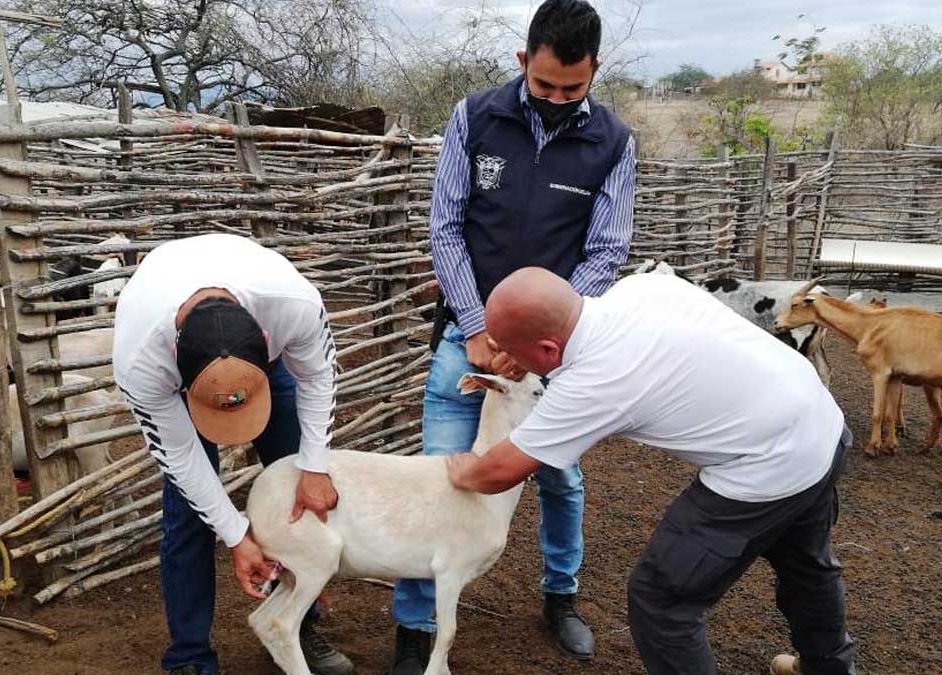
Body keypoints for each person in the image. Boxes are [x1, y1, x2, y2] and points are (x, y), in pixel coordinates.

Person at [446, 267, 858, 675]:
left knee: (661, 600)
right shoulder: (641, 287)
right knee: (806, 567)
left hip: (767, 463)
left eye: (512, 353)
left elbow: (499, 471)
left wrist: (462, 471)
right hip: (820, 421)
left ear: (549, 349)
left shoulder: (595, 379)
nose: (507, 363)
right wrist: (522, 351)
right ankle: (829, 668)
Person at [389, 0, 636, 672]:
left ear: (594, 70)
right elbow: (445, 228)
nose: (556, 99)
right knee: (441, 477)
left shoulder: (614, 142)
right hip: (465, 339)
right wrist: (478, 326)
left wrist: (538, 335)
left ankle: (560, 596)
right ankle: (414, 628)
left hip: (552, 351)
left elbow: (605, 251)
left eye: (572, 88)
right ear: (524, 60)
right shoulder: (475, 117)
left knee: (560, 476)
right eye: (544, 83)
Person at [112, 233, 353, 675]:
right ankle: (189, 657)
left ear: (266, 340)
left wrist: (315, 466)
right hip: (179, 371)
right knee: (188, 512)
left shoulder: (293, 305)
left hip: (264, 360)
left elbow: (318, 377)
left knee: (296, 496)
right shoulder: (141, 359)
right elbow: (181, 458)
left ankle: (295, 629)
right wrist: (236, 536)